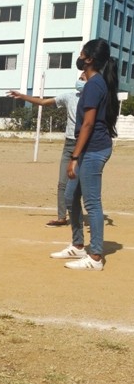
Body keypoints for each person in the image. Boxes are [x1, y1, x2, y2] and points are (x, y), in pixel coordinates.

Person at [50, 39, 119, 271]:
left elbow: (88, 124)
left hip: (93, 149)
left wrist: (75, 157)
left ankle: (96, 257)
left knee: (92, 202)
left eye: (81, 54)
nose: (78, 57)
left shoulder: (93, 85)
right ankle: (78, 244)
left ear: (89, 59)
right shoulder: (94, 83)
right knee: (70, 196)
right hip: (89, 148)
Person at [8, 73, 86, 227]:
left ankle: (79, 215)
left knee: (81, 184)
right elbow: (43, 102)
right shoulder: (69, 97)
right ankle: (61, 217)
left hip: (84, 144)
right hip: (69, 143)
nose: (80, 81)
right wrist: (23, 96)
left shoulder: (94, 99)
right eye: (80, 78)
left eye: (83, 79)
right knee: (62, 183)